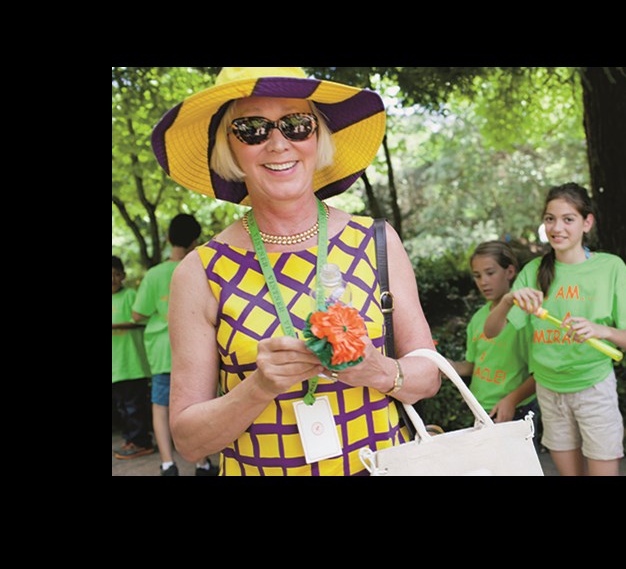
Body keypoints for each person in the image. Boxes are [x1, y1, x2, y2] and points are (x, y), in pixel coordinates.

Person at [151, 67, 440, 476]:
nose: (278, 143)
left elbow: (428, 378)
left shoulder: (376, 241)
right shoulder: (199, 271)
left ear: (317, 136)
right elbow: (190, 441)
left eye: (296, 124)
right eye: (252, 128)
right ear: (229, 148)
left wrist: (376, 369)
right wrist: (259, 387)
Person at [484, 183, 626, 476]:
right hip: (549, 392)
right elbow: (491, 331)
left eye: (568, 219)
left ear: (587, 223)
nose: (556, 227)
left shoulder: (611, 268)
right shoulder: (534, 271)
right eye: (550, 219)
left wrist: (601, 330)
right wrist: (509, 300)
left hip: (595, 389)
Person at [132, 214, 218, 476]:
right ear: (195, 241)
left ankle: (168, 464)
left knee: (160, 405)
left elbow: (138, 314)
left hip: (161, 351)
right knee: (199, 406)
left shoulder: (155, 274)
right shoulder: (201, 267)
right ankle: (202, 463)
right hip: (198, 351)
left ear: (169, 238)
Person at [448, 241, 538, 428]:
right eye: (477, 276)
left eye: (490, 273)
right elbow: (473, 365)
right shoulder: (478, 318)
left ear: (510, 272)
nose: (483, 282)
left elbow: (540, 375)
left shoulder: (524, 318)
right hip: (480, 410)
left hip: (516, 411)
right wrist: (449, 367)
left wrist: (512, 400)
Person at [112, 256, 154, 459]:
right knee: (122, 407)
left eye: (116, 274)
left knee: (133, 405)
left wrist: (117, 326)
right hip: (115, 367)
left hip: (133, 363)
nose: (112, 278)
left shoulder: (130, 295)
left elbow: (142, 320)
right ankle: (131, 440)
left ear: (123, 276)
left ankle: (142, 442)